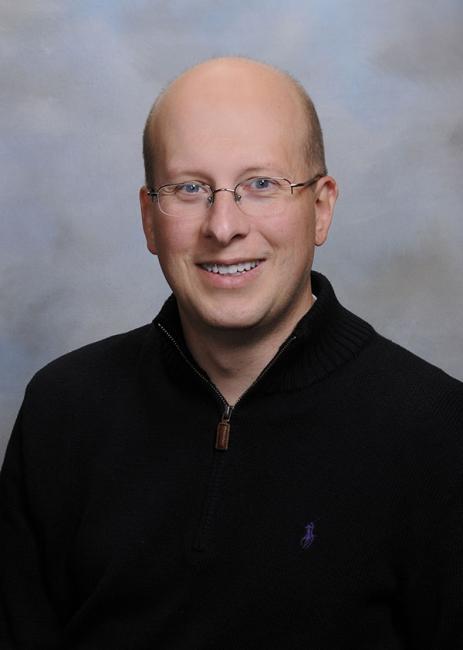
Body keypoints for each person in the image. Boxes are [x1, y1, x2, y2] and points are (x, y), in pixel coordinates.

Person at [1, 56, 462, 649]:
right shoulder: (62, 411)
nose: (223, 227)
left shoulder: (437, 431)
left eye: (261, 184)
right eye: (190, 188)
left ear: (321, 208)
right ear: (149, 219)